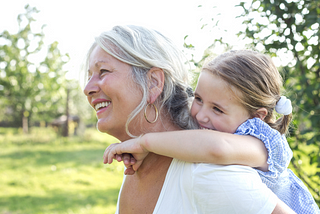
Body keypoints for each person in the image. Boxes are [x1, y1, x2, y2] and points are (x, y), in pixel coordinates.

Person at [85, 25, 295, 213]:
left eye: (103, 71)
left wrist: (144, 142)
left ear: (153, 83)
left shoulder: (209, 173)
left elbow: (218, 148)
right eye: (199, 99)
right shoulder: (144, 163)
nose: (87, 89)